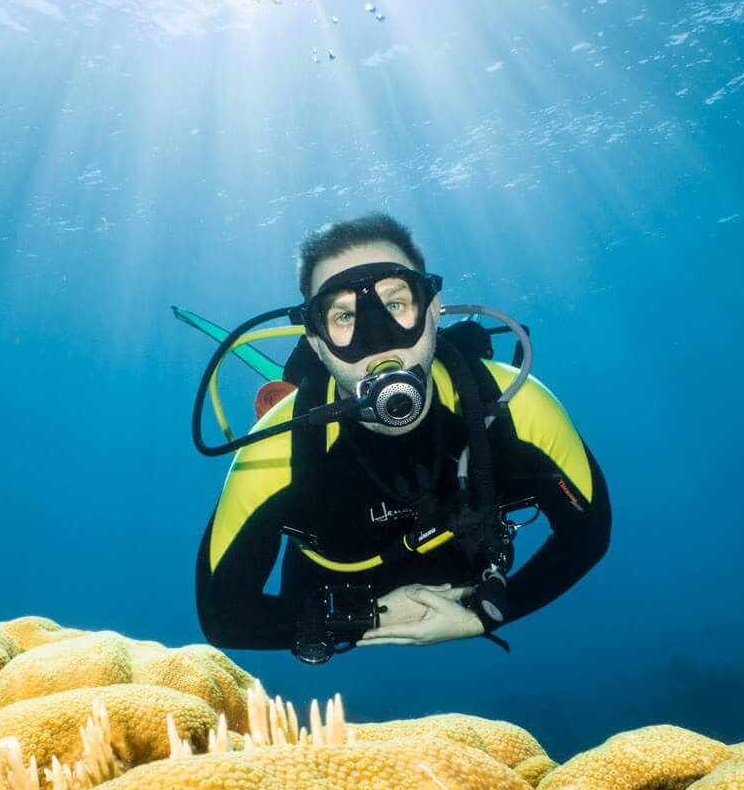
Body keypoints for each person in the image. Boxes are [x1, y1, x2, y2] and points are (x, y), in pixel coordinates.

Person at [194, 213, 610, 660]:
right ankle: (287, 388)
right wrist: (361, 620)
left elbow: (588, 532)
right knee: (290, 414)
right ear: (316, 345)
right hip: (337, 577)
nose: (377, 341)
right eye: (343, 316)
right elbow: (223, 616)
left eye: (396, 305)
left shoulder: (513, 407)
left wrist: (482, 617)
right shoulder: (275, 454)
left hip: (459, 565)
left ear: (433, 313)